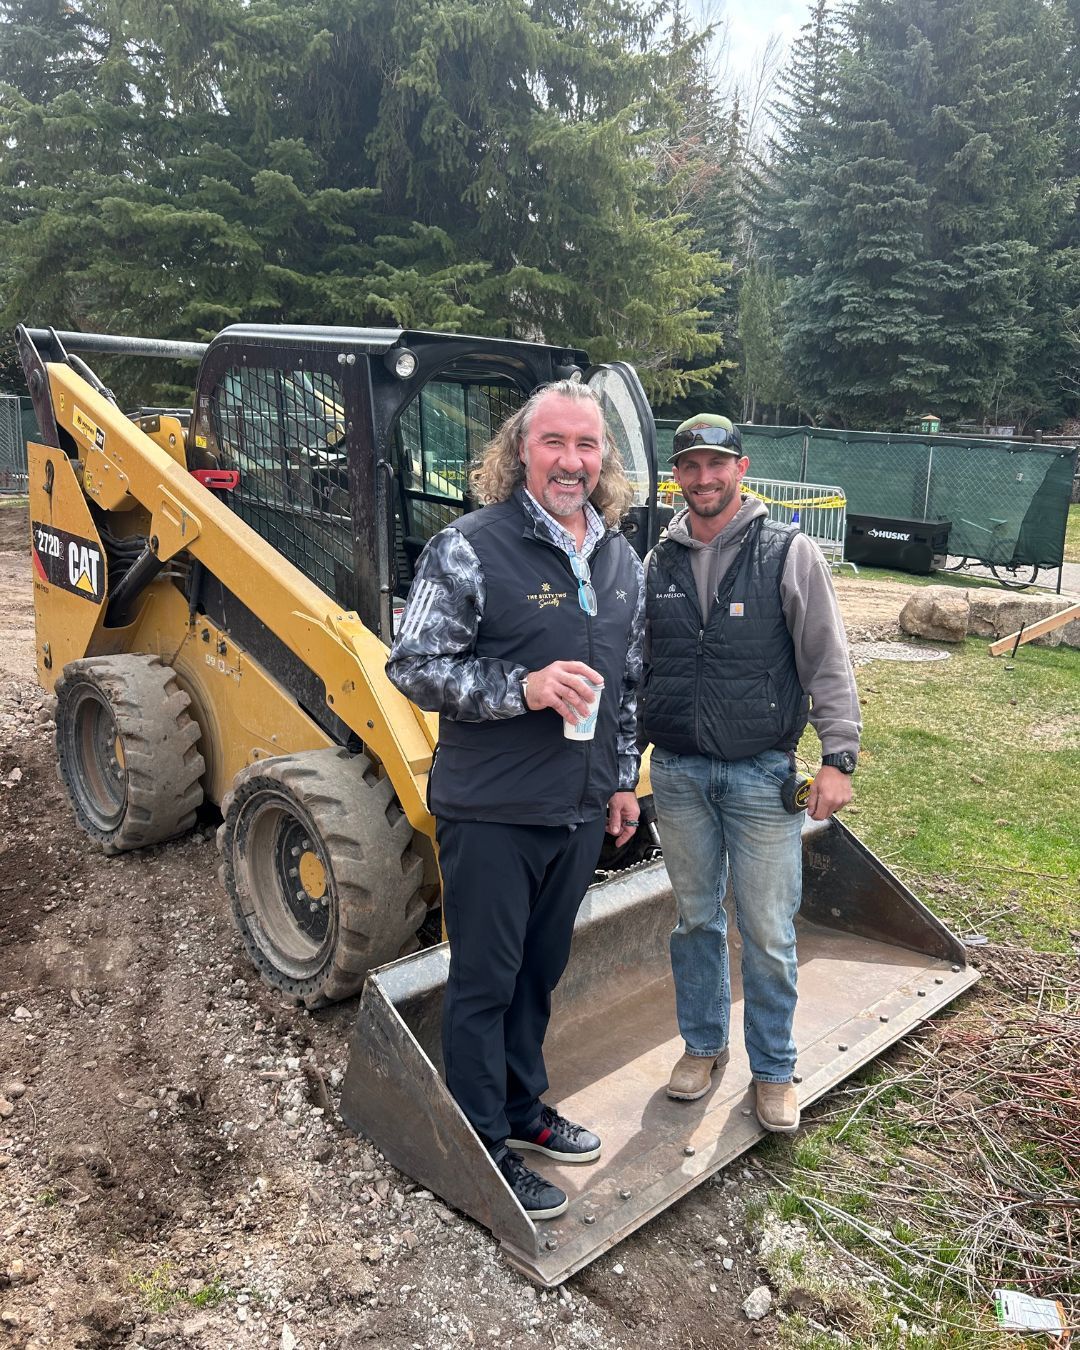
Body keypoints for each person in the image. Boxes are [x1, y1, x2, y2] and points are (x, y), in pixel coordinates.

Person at [386, 380, 644, 1219]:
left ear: (605, 459)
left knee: (539, 972)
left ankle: (523, 1109)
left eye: (588, 446)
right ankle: (480, 1143)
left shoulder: (619, 558)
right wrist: (522, 687)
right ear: (519, 451)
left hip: (574, 812)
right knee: (485, 981)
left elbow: (628, 683)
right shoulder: (469, 547)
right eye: (554, 444)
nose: (573, 461)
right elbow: (414, 667)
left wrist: (617, 779)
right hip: (493, 809)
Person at [641, 413, 861, 1132]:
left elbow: (826, 659)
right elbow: (634, 668)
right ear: (677, 476)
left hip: (761, 776)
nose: (704, 479)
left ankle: (773, 1070)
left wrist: (838, 756)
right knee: (695, 919)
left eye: (717, 464)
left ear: (742, 468)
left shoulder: (788, 553)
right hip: (675, 774)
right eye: (690, 466)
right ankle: (704, 1048)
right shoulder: (657, 563)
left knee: (768, 929)